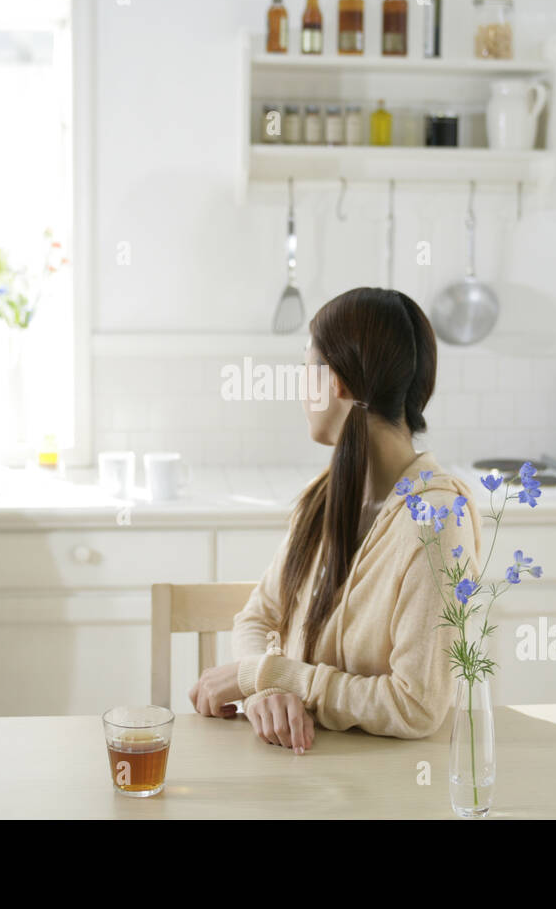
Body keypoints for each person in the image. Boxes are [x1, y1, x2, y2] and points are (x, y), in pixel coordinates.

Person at [188, 287, 482, 750]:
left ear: (338, 382)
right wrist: (269, 690)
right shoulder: (324, 497)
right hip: (303, 771)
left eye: (308, 369)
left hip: (386, 790)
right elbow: (257, 618)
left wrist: (271, 673)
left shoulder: (436, 522)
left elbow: (417, 706)